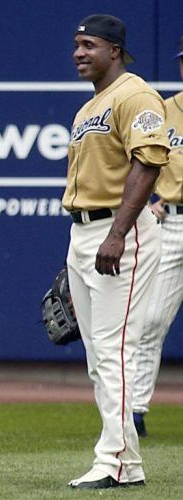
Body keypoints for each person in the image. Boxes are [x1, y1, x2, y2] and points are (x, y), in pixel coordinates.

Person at [62, 15, 170, 489]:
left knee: (113, 351)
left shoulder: (136, 95)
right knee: (99, 356)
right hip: (85, 231)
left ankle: (121, 463)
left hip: (119, 231)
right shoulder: (91, 108)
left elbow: (148, 164)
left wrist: (117, 234)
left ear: (115, 50)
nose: (78, 53)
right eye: (76, 45)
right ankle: (120, 459)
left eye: (88, 45)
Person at [132, 36, 183, 438]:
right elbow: (136, 160)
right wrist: (154, 199)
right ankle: (134, 410)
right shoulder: (162, 111)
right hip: (174, 221)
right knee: (149, 320)